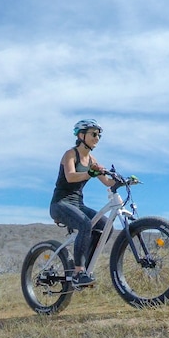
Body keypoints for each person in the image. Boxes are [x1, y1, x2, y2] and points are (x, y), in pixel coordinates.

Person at [49, 118, 116, 287]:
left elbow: (107, 182)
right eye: (93, 134)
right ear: (81, 135)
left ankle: (85, 266)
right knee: (86, 224)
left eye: (99, 135)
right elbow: (71, 176)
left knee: (106, 227)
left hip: (78, 204)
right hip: (60, 204)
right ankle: (78, 272)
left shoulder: (92, 159)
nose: (97, 138)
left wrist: (123, 181)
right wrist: (90, 173)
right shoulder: (70, 154)